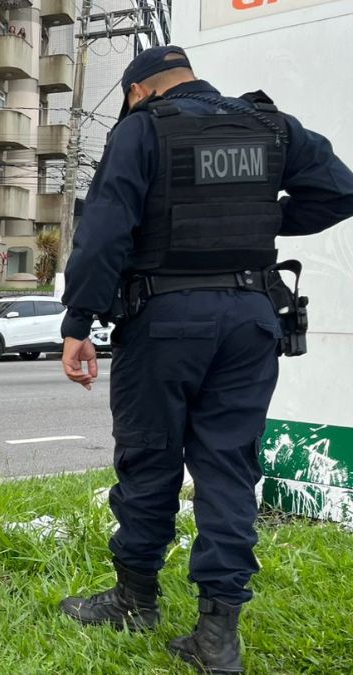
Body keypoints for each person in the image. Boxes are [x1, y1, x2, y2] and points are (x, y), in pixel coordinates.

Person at [58, 46, 353, 673]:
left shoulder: (143, 130)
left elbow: (104, 232)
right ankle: (218, 636)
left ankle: (135, 599)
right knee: (228, 466)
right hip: (250, 316)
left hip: (164, 318)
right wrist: (261, 217)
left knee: (150, 456)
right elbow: (339, 191)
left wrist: (78, 322)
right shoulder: (271, 126)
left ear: (139, 92)